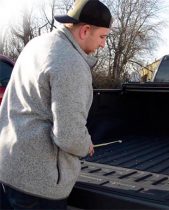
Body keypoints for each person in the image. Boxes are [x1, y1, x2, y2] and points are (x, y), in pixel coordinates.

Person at [0, 0, 112, 209]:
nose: (103, 44)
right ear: (85, 30)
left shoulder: (36, 45)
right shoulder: (71, 63)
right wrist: (85, 142)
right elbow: (69, 137)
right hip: (38, 186)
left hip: (8, 168)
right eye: (103, 37)